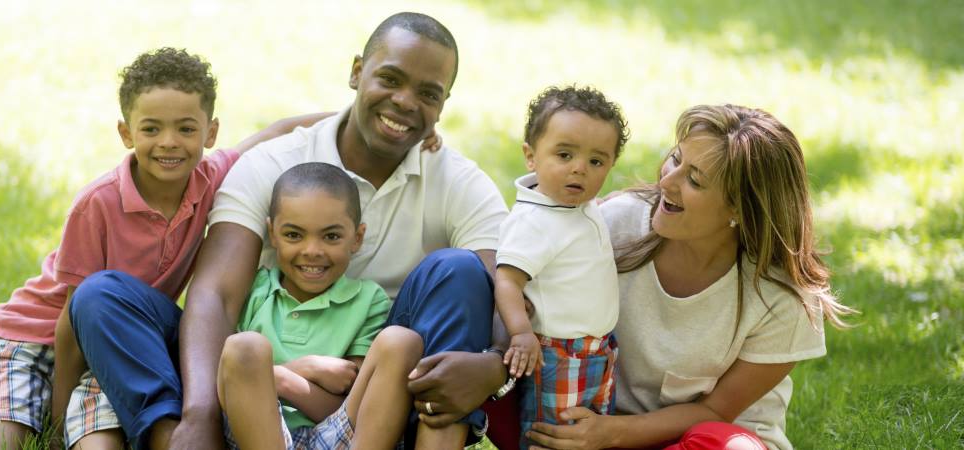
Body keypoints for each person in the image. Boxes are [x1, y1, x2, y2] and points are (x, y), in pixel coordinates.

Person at [68, 11, 513, 450]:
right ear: (357, 72)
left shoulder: (457, 180)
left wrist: (493, 366)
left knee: (459, 271)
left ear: (443, 103)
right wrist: (200, 411)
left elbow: (507, 287)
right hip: (251, 381)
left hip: (378, 390)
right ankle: (183, 441)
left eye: (428, 93)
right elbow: (216, 294)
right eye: (390, 79)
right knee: (103, 297)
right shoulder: (276, 161)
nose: (404, 102)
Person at [0, 47, 330, 450]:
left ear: (211, 132)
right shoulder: (98, 203)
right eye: (151, 129)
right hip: (33, 335)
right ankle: (0, 392)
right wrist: (60, 420)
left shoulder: (214, 176)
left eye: (186, 129)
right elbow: (71, 319)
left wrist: (349, 116)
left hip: (120, 339)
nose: (169, 143)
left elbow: (275, 133)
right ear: (126, 133)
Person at [521, 104, 854, 450]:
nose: (666, 181)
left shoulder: (782, 297)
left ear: (740, 207)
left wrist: (608, 434)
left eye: (694, 179)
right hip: (594, 419)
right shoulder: (617, 225)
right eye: (676, 159)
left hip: (695, 438)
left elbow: (715, 411)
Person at [218, 162, 420, 449]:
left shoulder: (368, 300)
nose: (312, 251)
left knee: (402, 341)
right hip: (258, 436)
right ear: (272, 233)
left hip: (338, 434)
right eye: (293, 235)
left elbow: (352, 407)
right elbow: (229, 386)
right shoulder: (255, 289)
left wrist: (277, 380)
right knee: (244, 347)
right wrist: (304, 369)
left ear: (357, 238)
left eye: (331, 236)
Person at [492, 86, 628, 445]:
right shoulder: (533, 221)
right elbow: (507, 281)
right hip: (557, 354)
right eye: (565, 154)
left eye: (596, 162)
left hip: (597, 351)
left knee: (588, 433)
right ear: (531, 156)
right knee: (553, 437)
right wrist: (521, 333)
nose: (580, 169)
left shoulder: (580, 205)